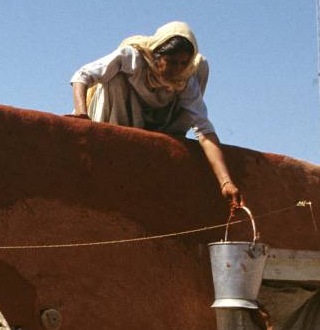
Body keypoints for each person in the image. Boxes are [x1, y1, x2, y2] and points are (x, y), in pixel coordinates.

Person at [69, 21, 241, 205]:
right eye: (172, 62)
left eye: (183, 63)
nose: (178, 69)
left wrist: (226, 182)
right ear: (157, 56)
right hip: (124, 119)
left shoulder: (185, 79)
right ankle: (116, 139)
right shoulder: (133, 58)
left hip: (162, 125)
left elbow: (205, 131)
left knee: (202, 65)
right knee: (114, 79)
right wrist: (81, 115)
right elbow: (82, 76)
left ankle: (173, 137)